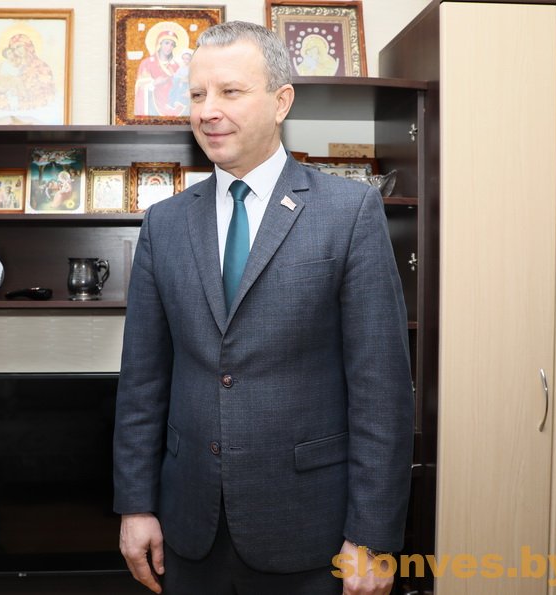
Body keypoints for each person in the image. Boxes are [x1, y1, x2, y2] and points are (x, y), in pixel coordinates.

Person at [113, 20, 413, 595]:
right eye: (197, 94)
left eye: (230, 91)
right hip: (188, 527)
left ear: (281, 102)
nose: (208, 111)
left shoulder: (349, 212)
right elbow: (142, 381)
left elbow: (381, 391)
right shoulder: (164, 223)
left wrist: (372, 535)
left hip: (312, 530)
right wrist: (135, 505)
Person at [134, 28, 184, 117]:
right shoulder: (147, 63)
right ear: (159, 44)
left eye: (172, 45)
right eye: (166, 43)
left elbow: (181, 85)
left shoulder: (175, 65)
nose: (169, 47)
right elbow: (140, 86)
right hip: (153, 104)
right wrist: (154, 83)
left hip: (172, 104)